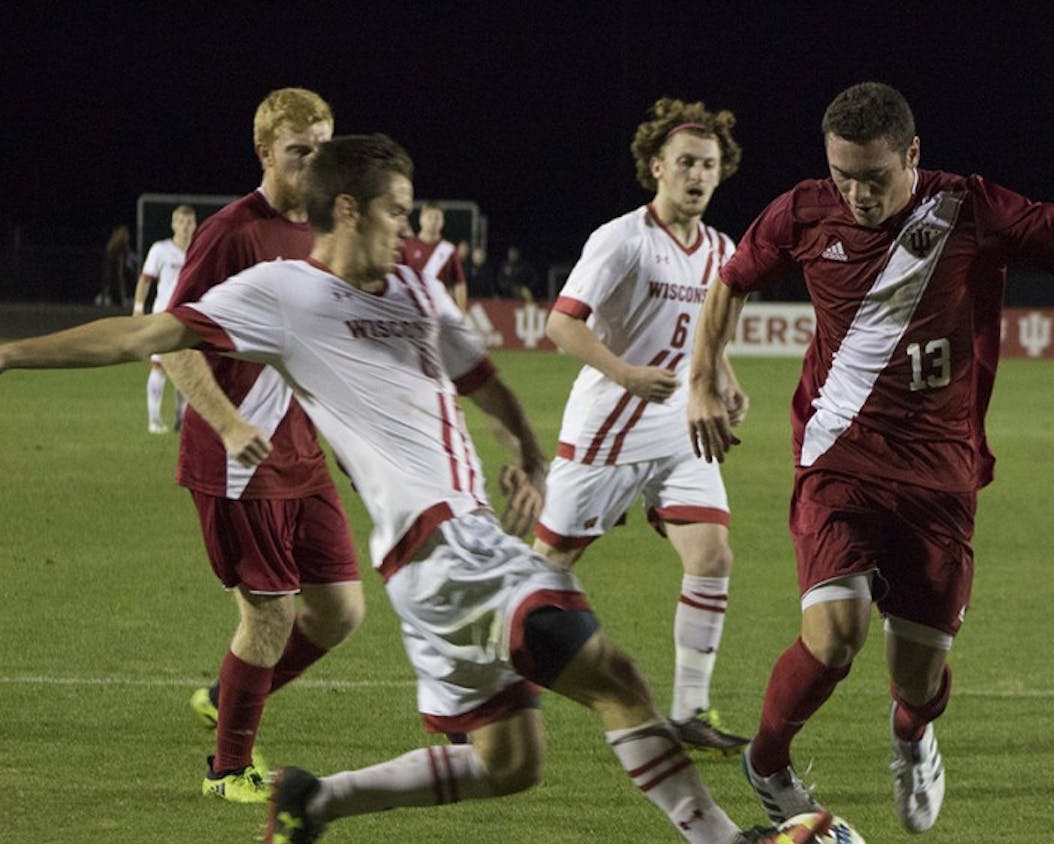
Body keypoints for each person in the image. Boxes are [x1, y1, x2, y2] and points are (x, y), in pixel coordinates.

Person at [0, 133, 829, 844]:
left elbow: (480, 377)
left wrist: (529, 452)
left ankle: (315, 800)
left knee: (510, 765)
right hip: (442, 544)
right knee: (613, 676)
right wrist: (10, 353)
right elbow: (144, 333)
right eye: (396, 209)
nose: (411, 225)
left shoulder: (413, 285)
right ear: (351, 209)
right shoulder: (280, 295)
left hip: (445, 556)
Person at [686, 81, 1054, 833]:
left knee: (916, 676)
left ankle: (913, 733)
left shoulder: (971, 209)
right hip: (837, 457)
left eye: (874, 177)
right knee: (837, 632)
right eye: (843, 175)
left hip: (941, 474)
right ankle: (769, 759)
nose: (856, 194)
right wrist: (703, 378)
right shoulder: (802, 211)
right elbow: (731, 282)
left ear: (913, 155)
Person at [155, 87, 360, 803]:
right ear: (265, 152)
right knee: (268, 613)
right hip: (238, 461)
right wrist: (227, 421)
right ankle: (226, 769)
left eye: (322, 149)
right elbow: (173, 344)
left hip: (300, 454)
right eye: (299, 150)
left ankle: (230, 691)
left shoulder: (329, 231)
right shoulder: (231, 233)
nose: (313, 162)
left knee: (340, 612)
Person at [535, 97, 750, 754]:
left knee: (712, 555)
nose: (697, 175)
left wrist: (723, 377)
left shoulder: (723, 249)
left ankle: (689, 710)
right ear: (657, 166)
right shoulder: (620, 239)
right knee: (548, 567)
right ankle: (483, 685)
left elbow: (708, 337)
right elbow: (561, 323)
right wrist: (624, 372)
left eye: (709, 165)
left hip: (681, 425)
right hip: (611, 423)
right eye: (686, 162)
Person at [132, 204, 197, 433]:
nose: (185, 227)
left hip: (190, 318)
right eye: (180, 221)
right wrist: (139, 308)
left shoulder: (200, 250)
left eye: (189, 222)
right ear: (173, 224)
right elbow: (145, 279)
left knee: (188, 370)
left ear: (195, 224)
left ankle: (181, 418)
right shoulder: (160, 250)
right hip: (164, 316)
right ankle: (154, 420)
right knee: (160, 367)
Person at [401, 202, 468, 311]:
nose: (433, 221)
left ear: (442, 222)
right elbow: (398, 279)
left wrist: (462, 312)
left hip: (439, 309)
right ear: (421, 219)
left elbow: (459, 283)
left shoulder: (449, 249)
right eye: (429, 217)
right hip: (412, 308)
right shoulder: (407, 246)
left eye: (437, 218)